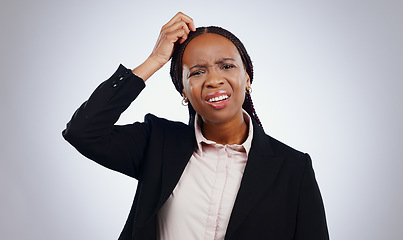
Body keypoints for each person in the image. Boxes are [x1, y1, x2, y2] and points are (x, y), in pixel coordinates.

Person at [63, 12, 329, 240]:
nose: (214, 80)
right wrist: (155, 59)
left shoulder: (293, 168)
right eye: (197, 72)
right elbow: (83, 132)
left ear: (247, 77)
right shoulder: (157, 143)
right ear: (184, 91)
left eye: (226, 66)